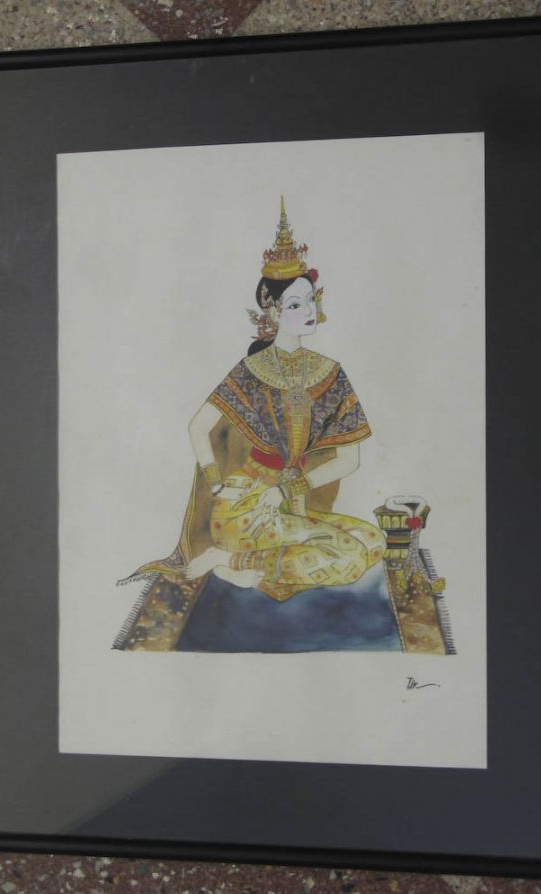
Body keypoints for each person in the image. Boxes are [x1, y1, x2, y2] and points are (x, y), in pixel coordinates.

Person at [115, 199, 386, 649]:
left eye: (311, 301)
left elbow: (349, 459)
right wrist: (217, 483)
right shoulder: (249, 371)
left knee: (372, 541)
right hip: (245, 507)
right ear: (273, 310)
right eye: (295, 303)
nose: (308, 311)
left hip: (288, 504)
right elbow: (197, 428)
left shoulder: (331, 373)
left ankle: (239, 563)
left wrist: (291, 488)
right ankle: (229, 560)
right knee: (349, 558)